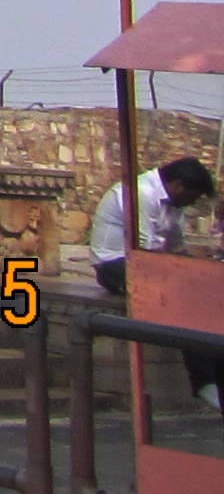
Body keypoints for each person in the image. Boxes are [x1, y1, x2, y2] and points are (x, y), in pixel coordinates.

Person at [94, 156, 223, 410]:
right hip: (116, 265)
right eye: (193, 197)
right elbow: (144, 251)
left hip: (151, 266)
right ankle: (204, 381)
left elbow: (177, 248)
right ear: (178, 185)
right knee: (184, 303)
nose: (192, 203)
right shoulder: (141, 192)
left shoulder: (172, 207)